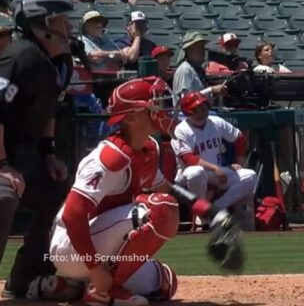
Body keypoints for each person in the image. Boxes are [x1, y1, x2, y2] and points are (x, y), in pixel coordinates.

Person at [46, 76, 181, 305]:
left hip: (101, 243)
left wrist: (204, 206)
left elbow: (166, 188)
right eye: (155, 106)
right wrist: (96, 268)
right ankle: (102, 290)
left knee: (166, 282)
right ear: (130, 116)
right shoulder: (110, 157)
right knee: (161, 207)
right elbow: (73, 215)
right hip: (71, 245)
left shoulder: (147, 149)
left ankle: (75, 286)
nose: (163, 111)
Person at [0, 0, 77, 300]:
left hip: (27, 156)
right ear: (44, 25)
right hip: (5, 157)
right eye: (61, 19)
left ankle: (26, 276)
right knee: (4, 198)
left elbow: (50, 113)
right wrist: (3, 166)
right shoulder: (20, 56)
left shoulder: (58, 63)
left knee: (61, 193)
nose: (68, 26)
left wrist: (48, 153)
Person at [172, 91, 256, 220]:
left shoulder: (216, 122)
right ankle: (200, 211)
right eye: (199, 107)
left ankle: (216, 208)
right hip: (187, 175)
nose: (204, 108)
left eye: (204, 105)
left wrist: (239, 163)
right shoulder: (181, 129)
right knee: (196, 172)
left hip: (216, 173)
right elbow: (189, 159)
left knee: (250, 176)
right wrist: (215, 168)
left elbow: (239, 138)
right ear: (189, 111)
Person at [172, 31, 225, 102]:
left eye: (202, 47)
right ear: (188, 50)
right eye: (198, 47)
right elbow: (186, 100)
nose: (202, 50)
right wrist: (211, 90)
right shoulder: (185, 70)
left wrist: (215, 93)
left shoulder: (198, 70)